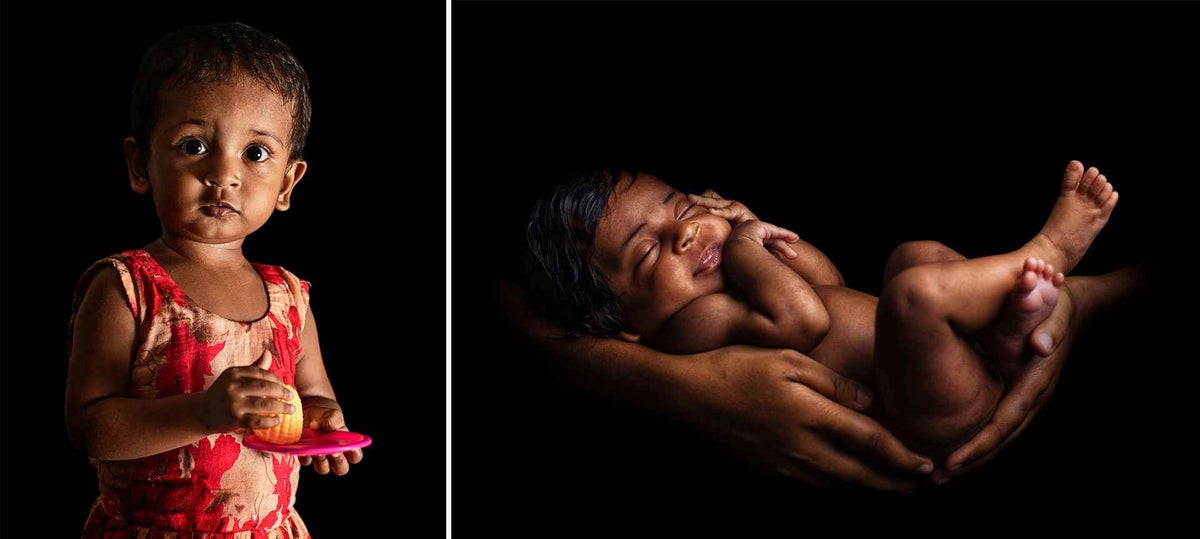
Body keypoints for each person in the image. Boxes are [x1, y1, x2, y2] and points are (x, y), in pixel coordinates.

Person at [517, 161, 1145, 490]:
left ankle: (1010, 337)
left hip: (942, 366)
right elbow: (805, 316)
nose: (685, 233)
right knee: (914, 294)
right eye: (650, 254)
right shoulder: (690, 331)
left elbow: (828, 281)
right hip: (923, 419)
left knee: (914, 255)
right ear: (624, 326)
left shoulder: (733, 287)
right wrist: (740, 249)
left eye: (682, 210)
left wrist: (763, 236)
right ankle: (1050, 249)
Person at [64, 22, 361, 537]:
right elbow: (91, 427)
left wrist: (322, 424)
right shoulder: (127, 289)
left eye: (256, 153)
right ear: (140, 164)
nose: (224, 174)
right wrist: (202, 412)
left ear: (288, 182)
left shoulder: (290, 298)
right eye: (195, 145)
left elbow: (315, 395)